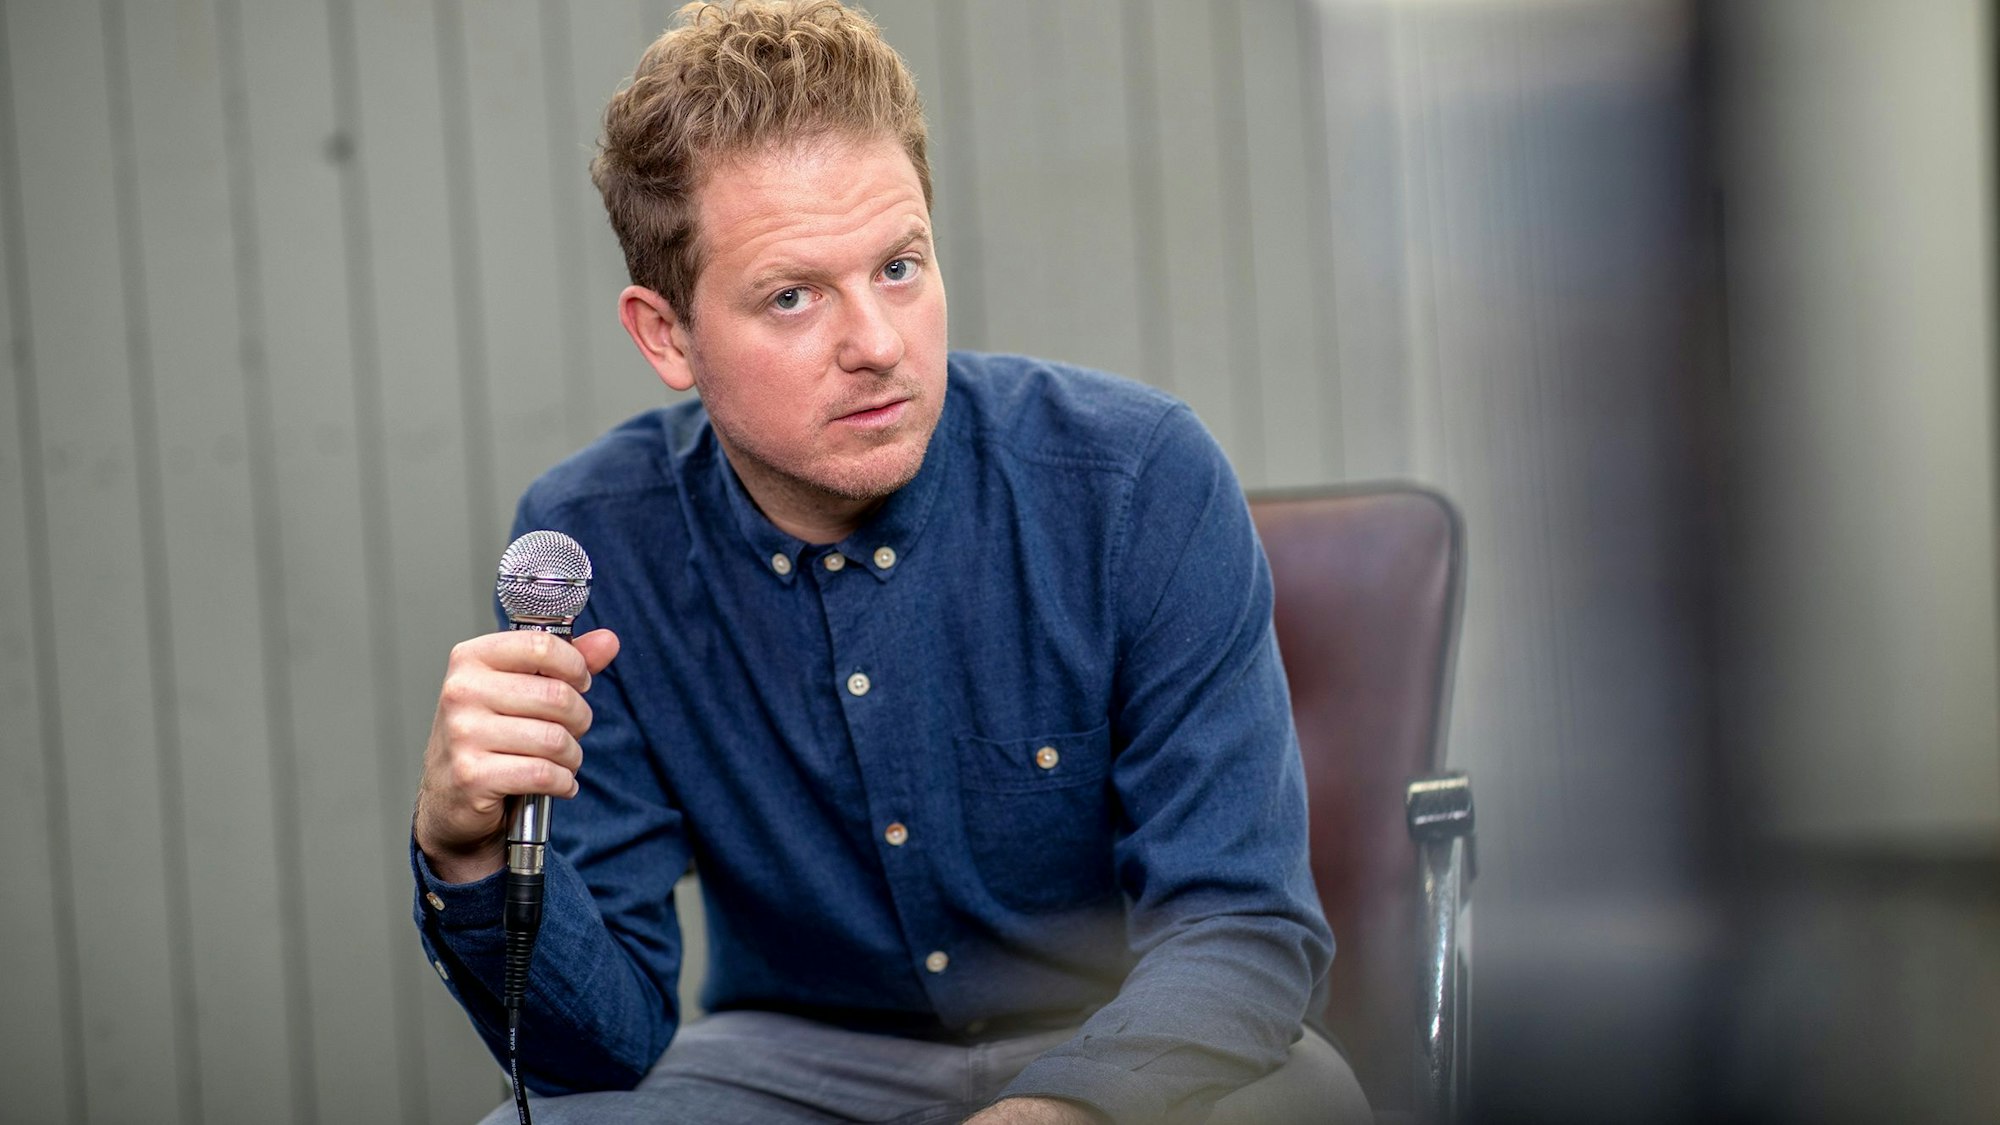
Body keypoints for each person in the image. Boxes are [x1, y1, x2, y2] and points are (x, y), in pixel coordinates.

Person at [410, 3, 1370, 1122]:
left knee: (1303, 1107)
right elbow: (600, 1054)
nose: (876, 342)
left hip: (1120, 1034)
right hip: (788, 1065)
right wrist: (466, 852)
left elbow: (1239, 927)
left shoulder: (1135, 478)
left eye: (899, 266)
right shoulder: (592, 539)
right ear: (665, 335)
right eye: (792, 295)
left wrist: (1056, 1111)